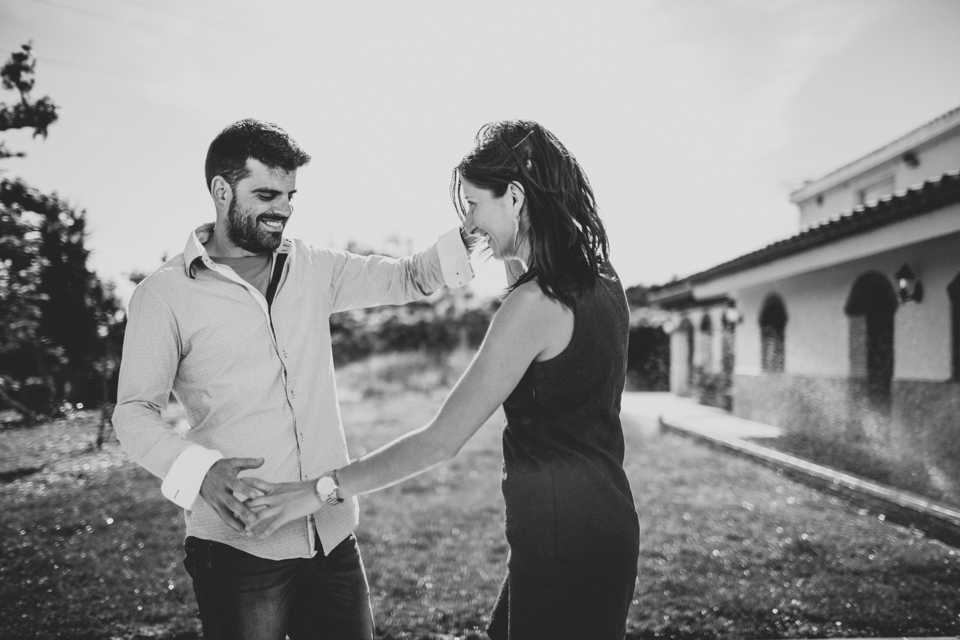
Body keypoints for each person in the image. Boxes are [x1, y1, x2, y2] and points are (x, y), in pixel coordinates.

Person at [246, 120, 641, 640]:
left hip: (561, 546)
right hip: (605, 524)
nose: (469, 223)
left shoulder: (533, 306)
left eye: (474, 205)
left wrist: (322, 490)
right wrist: (503, 238)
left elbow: (441, 440)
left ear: (515, 197)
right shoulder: (603, 280)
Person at [112, 118, 473, 640]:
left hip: (332, 536)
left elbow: (409, 276)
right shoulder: (163, 295)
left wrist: (475, 232)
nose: (282, 208)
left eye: (289, 195)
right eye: (266, 194)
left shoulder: (312, 266)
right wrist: (200, 473)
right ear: (221, 191)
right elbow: (133, 412)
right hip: (240, 550)